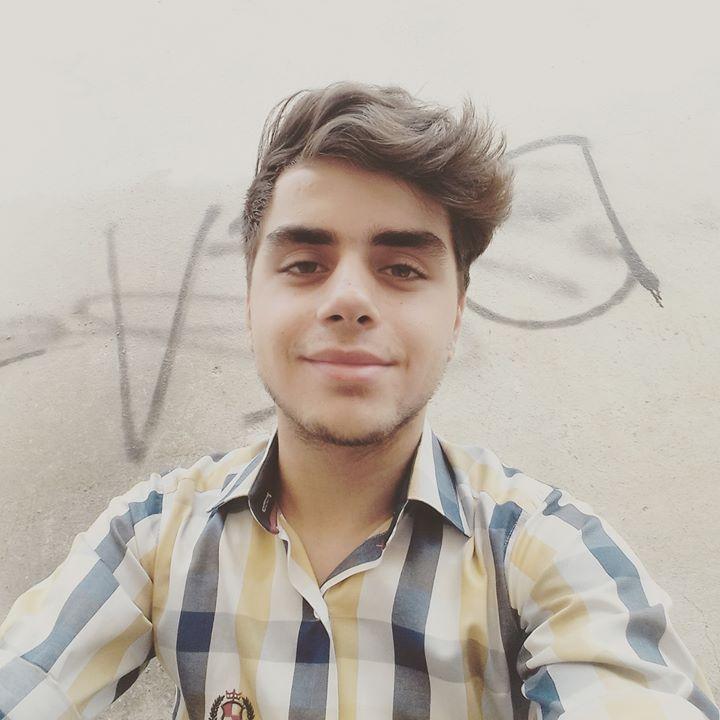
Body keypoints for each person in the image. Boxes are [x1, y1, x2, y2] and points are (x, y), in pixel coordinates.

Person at [0, 82, 717, 720]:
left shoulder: (547, 552)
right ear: (251, 300)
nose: (348, 299)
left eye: (401, 268)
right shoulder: (153, 535)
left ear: (456, 310)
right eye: (304, 264)